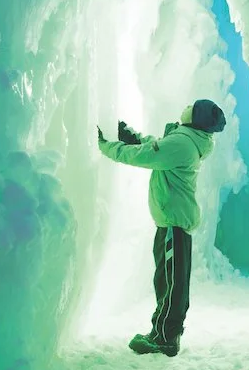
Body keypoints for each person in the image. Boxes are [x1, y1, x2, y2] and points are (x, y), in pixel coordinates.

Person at [96, 99, 226, 357]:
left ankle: (166, 338)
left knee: (172, 283)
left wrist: (107, 147)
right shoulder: (187, 139)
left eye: (192, 107)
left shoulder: (183, 144)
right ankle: (162, 332)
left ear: (195, 117)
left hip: (173, 224)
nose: (186, 106)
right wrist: (132, 135)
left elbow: (146, 155)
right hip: (172, 222)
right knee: (168, 280)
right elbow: (155, 146)